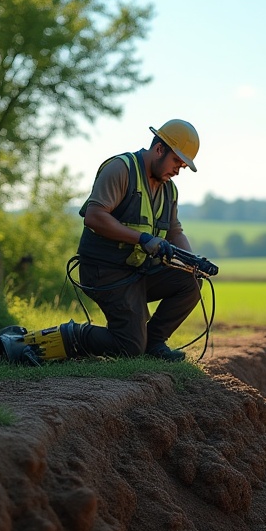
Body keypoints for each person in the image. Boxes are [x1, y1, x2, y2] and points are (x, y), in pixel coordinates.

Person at [68, 119, 203, 362]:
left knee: (190, 281)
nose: (178, 170)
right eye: (176, 161)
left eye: (183, 165)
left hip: (138, 272)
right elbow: (94, 217)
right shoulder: (120, 169)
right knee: (128, 347)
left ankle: (154, 343)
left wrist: (192, 261)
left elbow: (174, 232)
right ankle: (67, 336)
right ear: (159, 149)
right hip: (104, 271)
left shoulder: (169, 190)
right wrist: (142, 239)